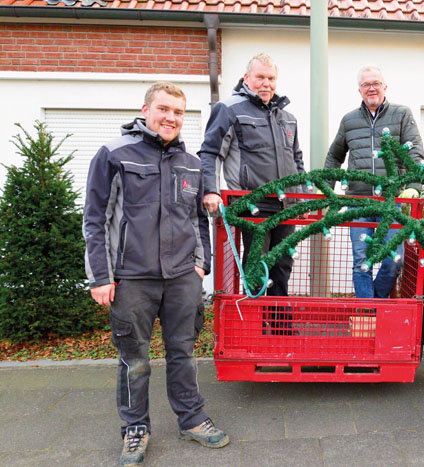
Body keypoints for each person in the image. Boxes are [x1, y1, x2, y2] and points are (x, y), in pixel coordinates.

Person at [83, 82, 229, 467]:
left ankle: (192, 419)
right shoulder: (114, 155)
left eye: (179, 112)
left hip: (183, 275)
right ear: (145, 110)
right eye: (164, 109)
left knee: (183, 352)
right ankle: (135, 428)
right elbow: (95, 219)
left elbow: (200, 220)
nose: (171, 118)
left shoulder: (192, 163)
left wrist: (201, 266)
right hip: (132, 277)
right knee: (135, 358)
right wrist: (100, 276)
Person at [199, 53, 305, 331]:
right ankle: (254, 326)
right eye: (260, 77)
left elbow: (297, 160)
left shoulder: (287, 118)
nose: (266, 83)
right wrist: (211, 190)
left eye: (271, 78)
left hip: (287, 206)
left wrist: (303, 195)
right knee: (257, 263)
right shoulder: (229, 109)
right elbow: (210, 153)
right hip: (253, 205)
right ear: (247, 78)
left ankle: (280, 324)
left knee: (283, 264)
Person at [324, 65, 424, 298]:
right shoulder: (349, 121)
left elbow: (415, 152)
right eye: (366, 84)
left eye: (376, 83)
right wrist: (327, 192)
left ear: (384, 87)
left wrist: (413, 186)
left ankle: (375, 308)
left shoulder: (401, 115)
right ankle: (367, 315)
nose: (371, 88)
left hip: (391, 201)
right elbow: (334, 156)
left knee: (394, 260)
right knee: (362, 261)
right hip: (358, 202)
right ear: (359, 90)